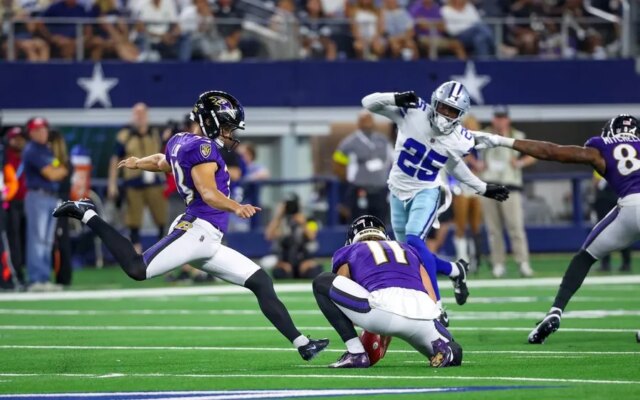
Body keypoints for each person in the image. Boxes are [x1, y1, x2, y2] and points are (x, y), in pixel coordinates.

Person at [53, 90, 329, 360]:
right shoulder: (203, 148)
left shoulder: (180, 140)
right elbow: (208, 193)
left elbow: (162, 162)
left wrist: (138, 162)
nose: (230, 134)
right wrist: (237, 207)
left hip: (208, 239)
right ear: (210, 122)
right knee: (138, 268)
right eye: (227, 127)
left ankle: (303, 344)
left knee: (261, 281)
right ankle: (87, 214)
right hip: (197, 230)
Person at [473, 114, 640, 344]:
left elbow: (551, 151)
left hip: (630, 206)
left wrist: (502, 141)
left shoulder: (601, 146)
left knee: (585, 257)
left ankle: (555, 311)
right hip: (630, 202)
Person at [361, 82, 509, 315]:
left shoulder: (459, 138)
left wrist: (481, 187)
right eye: (443, 107)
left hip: (427, 190)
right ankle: (454, 270)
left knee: (414, 239)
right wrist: (395, 98)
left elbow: (453, 165)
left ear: (460, 114)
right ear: (434, 102)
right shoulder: (413, 112)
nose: (446, 114)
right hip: (397, 190)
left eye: (452, 110)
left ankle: (436, 307)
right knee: (409, 255)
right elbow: (368, 102)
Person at [312, 215, 462, 368]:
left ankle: (355, 352)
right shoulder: (409, 250)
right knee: (454, 349)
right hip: (422, 315)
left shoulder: (348, 251)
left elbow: (342, 301)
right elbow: (432, 298)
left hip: (381, 312)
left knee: (322, 281)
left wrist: (373, 330)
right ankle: (445, 351)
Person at [478, 105, 536, 278]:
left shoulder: (517, 136)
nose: (500, 121)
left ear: (508, 119)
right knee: (493, 229)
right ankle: (498, 264)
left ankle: (523, 263)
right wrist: (476, 164)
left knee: (516, 228)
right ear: (493, 119)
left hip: (511, 186)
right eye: (497, 117)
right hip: (489, 185)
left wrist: (519, 163)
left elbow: (533, 154)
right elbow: (465, 150)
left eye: (503, 117)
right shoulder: (483, 134)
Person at [108, 103, 167, 253]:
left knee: (161, 218)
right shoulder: (125, 135)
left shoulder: (155, 133)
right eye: (136, 113)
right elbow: (115, 159)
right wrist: (112, 184)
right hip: (133, 182)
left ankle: (163, 252)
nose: (139, 117)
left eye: (142, 113)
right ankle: (136, 253)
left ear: (147, 115)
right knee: (133, 220)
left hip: (154, 182)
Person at [23, 117, 68, 291]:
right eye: (38, 130)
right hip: (38, 196)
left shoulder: (47, 150)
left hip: (50, 197)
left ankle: (43, 278)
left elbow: (59, 169)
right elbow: (53, 174)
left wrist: (59, 170)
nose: (42, 133)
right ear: (31, 133)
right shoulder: (32, 150)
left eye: (44, 129)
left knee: (47, 241)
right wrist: (60, 170)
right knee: (38, 239)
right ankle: (36, 279)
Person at [332, 110, 393, 223]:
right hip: (359, 190)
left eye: (369, 120)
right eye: (364, 120)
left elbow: (394, 162)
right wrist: (347, 182)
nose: (367, 123)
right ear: (359, 123)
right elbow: (338, 164)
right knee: (360, 223)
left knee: (380, 222)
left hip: (380, 190)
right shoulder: (349, 143)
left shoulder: (383, 141)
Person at [265, 193, 323, 280]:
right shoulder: (280, 221)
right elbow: (269, 236)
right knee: (280, 273)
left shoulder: (309, 219)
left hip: (305, 261)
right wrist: (279, 215)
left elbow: (312, 236)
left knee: (313, 272)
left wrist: (303, 223)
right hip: (285, 262)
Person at [592, 171, 631, 272]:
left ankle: (605, 263)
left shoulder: (601, 162)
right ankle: (626, 263)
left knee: (603, 231)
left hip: (604, 199)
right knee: (623, 230)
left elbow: (596, 183)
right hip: (620, 197)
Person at [4, 127, 28, 284]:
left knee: (26, 239)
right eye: (15, 138)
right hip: (11, 203)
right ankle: (15, 272)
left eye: (21, 138)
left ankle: (23, 271)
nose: (19, 141)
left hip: (27, 202)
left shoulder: (28, 155)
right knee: (13, 239)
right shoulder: (5, 157)